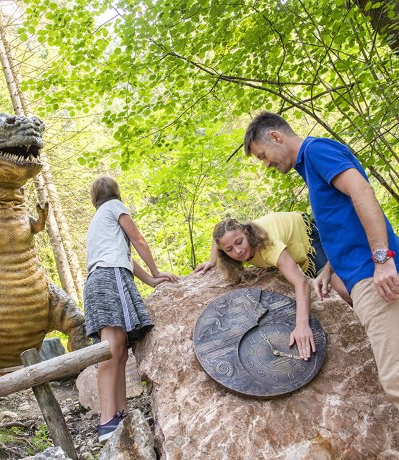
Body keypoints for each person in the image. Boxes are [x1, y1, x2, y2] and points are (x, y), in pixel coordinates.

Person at [243, 111, 399, 410]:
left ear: (276, 136)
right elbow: (345, 221)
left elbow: (362, 191)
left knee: (395, 381)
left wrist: (382, 259)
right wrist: (329, 268)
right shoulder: (310, 166)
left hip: (373, 276)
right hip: (362, 271)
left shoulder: (316, 151)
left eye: (263, 155)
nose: (266, 164)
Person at [83, 176, 177, 443]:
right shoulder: (114, 208)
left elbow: (125, 255)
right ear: (115, 193)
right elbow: (138, 240)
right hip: (110, 278)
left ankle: (119, 413)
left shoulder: (98, 221)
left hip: (102, 278)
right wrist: (157, 270)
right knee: (112, 349)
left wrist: (150, 279)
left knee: (120, 351)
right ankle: (106, 421)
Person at [195, 212, 351, 361]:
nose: (238, 250)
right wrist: (212, 261)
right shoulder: (230, 240)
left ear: (246, 232)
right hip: (279, 240)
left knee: (339, 286)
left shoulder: (269, 246)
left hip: (305, 233)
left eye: (239, 242)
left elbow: (301, 282)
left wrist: (302, 326)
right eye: (229, 249)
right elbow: (218, 240)